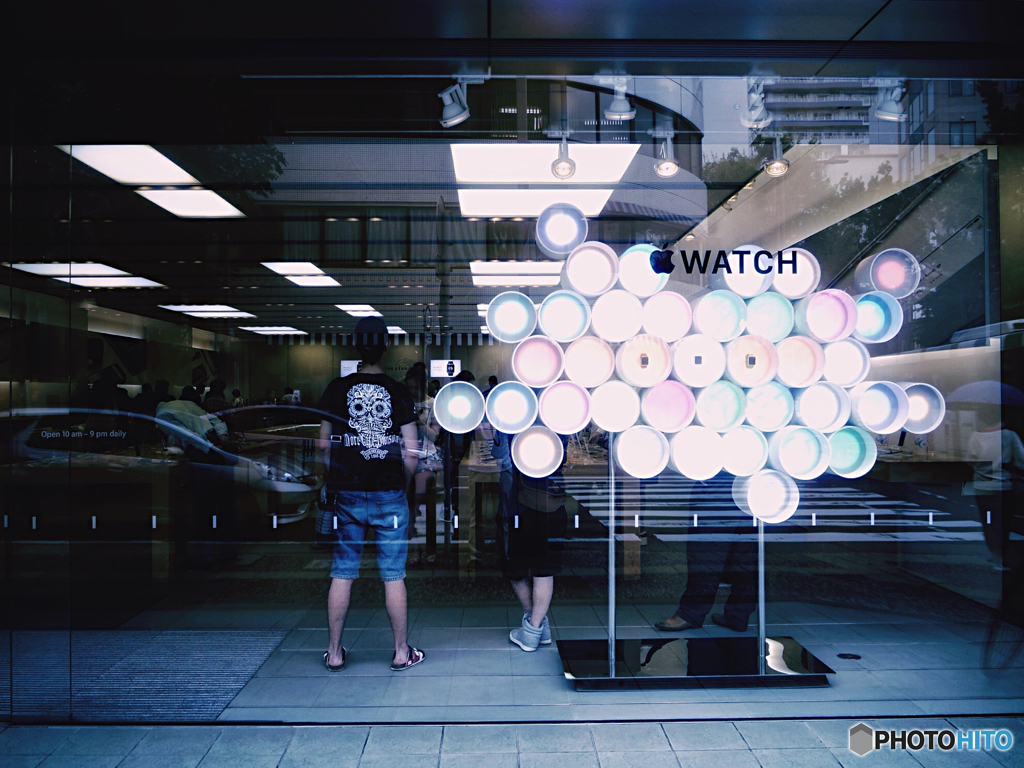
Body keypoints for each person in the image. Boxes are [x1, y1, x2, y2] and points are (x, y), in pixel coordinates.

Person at [318, 316, 424, 672]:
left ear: (355, 345)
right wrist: (402, 482)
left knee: (343, 572)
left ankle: (334, 653)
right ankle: (400, 651)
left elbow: (323, 446)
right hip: (389, 493)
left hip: (348, 494)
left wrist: (335, 476)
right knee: (393, 574)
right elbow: (412, 452)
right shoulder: (398, 391)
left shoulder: (336, 389)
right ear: (385, 346)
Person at [500, 431, 569, 652]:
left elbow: (499, 454)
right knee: (544, 568)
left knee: (515, 566)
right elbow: (563, 456)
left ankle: (532, 630)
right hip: (552, 499)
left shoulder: (513, 414)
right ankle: (539, 627)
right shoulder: (558, 417)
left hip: (520, 502)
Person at [966, 405, 1024, 571]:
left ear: (982, 419)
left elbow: (970, 460)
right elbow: (1021, 460)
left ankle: (994, 555)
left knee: (989, 522)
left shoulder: (975, 437)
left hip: (982, 487)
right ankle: (999, 559)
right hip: (1003, 487)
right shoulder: (1009, 436)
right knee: (1003, 523)